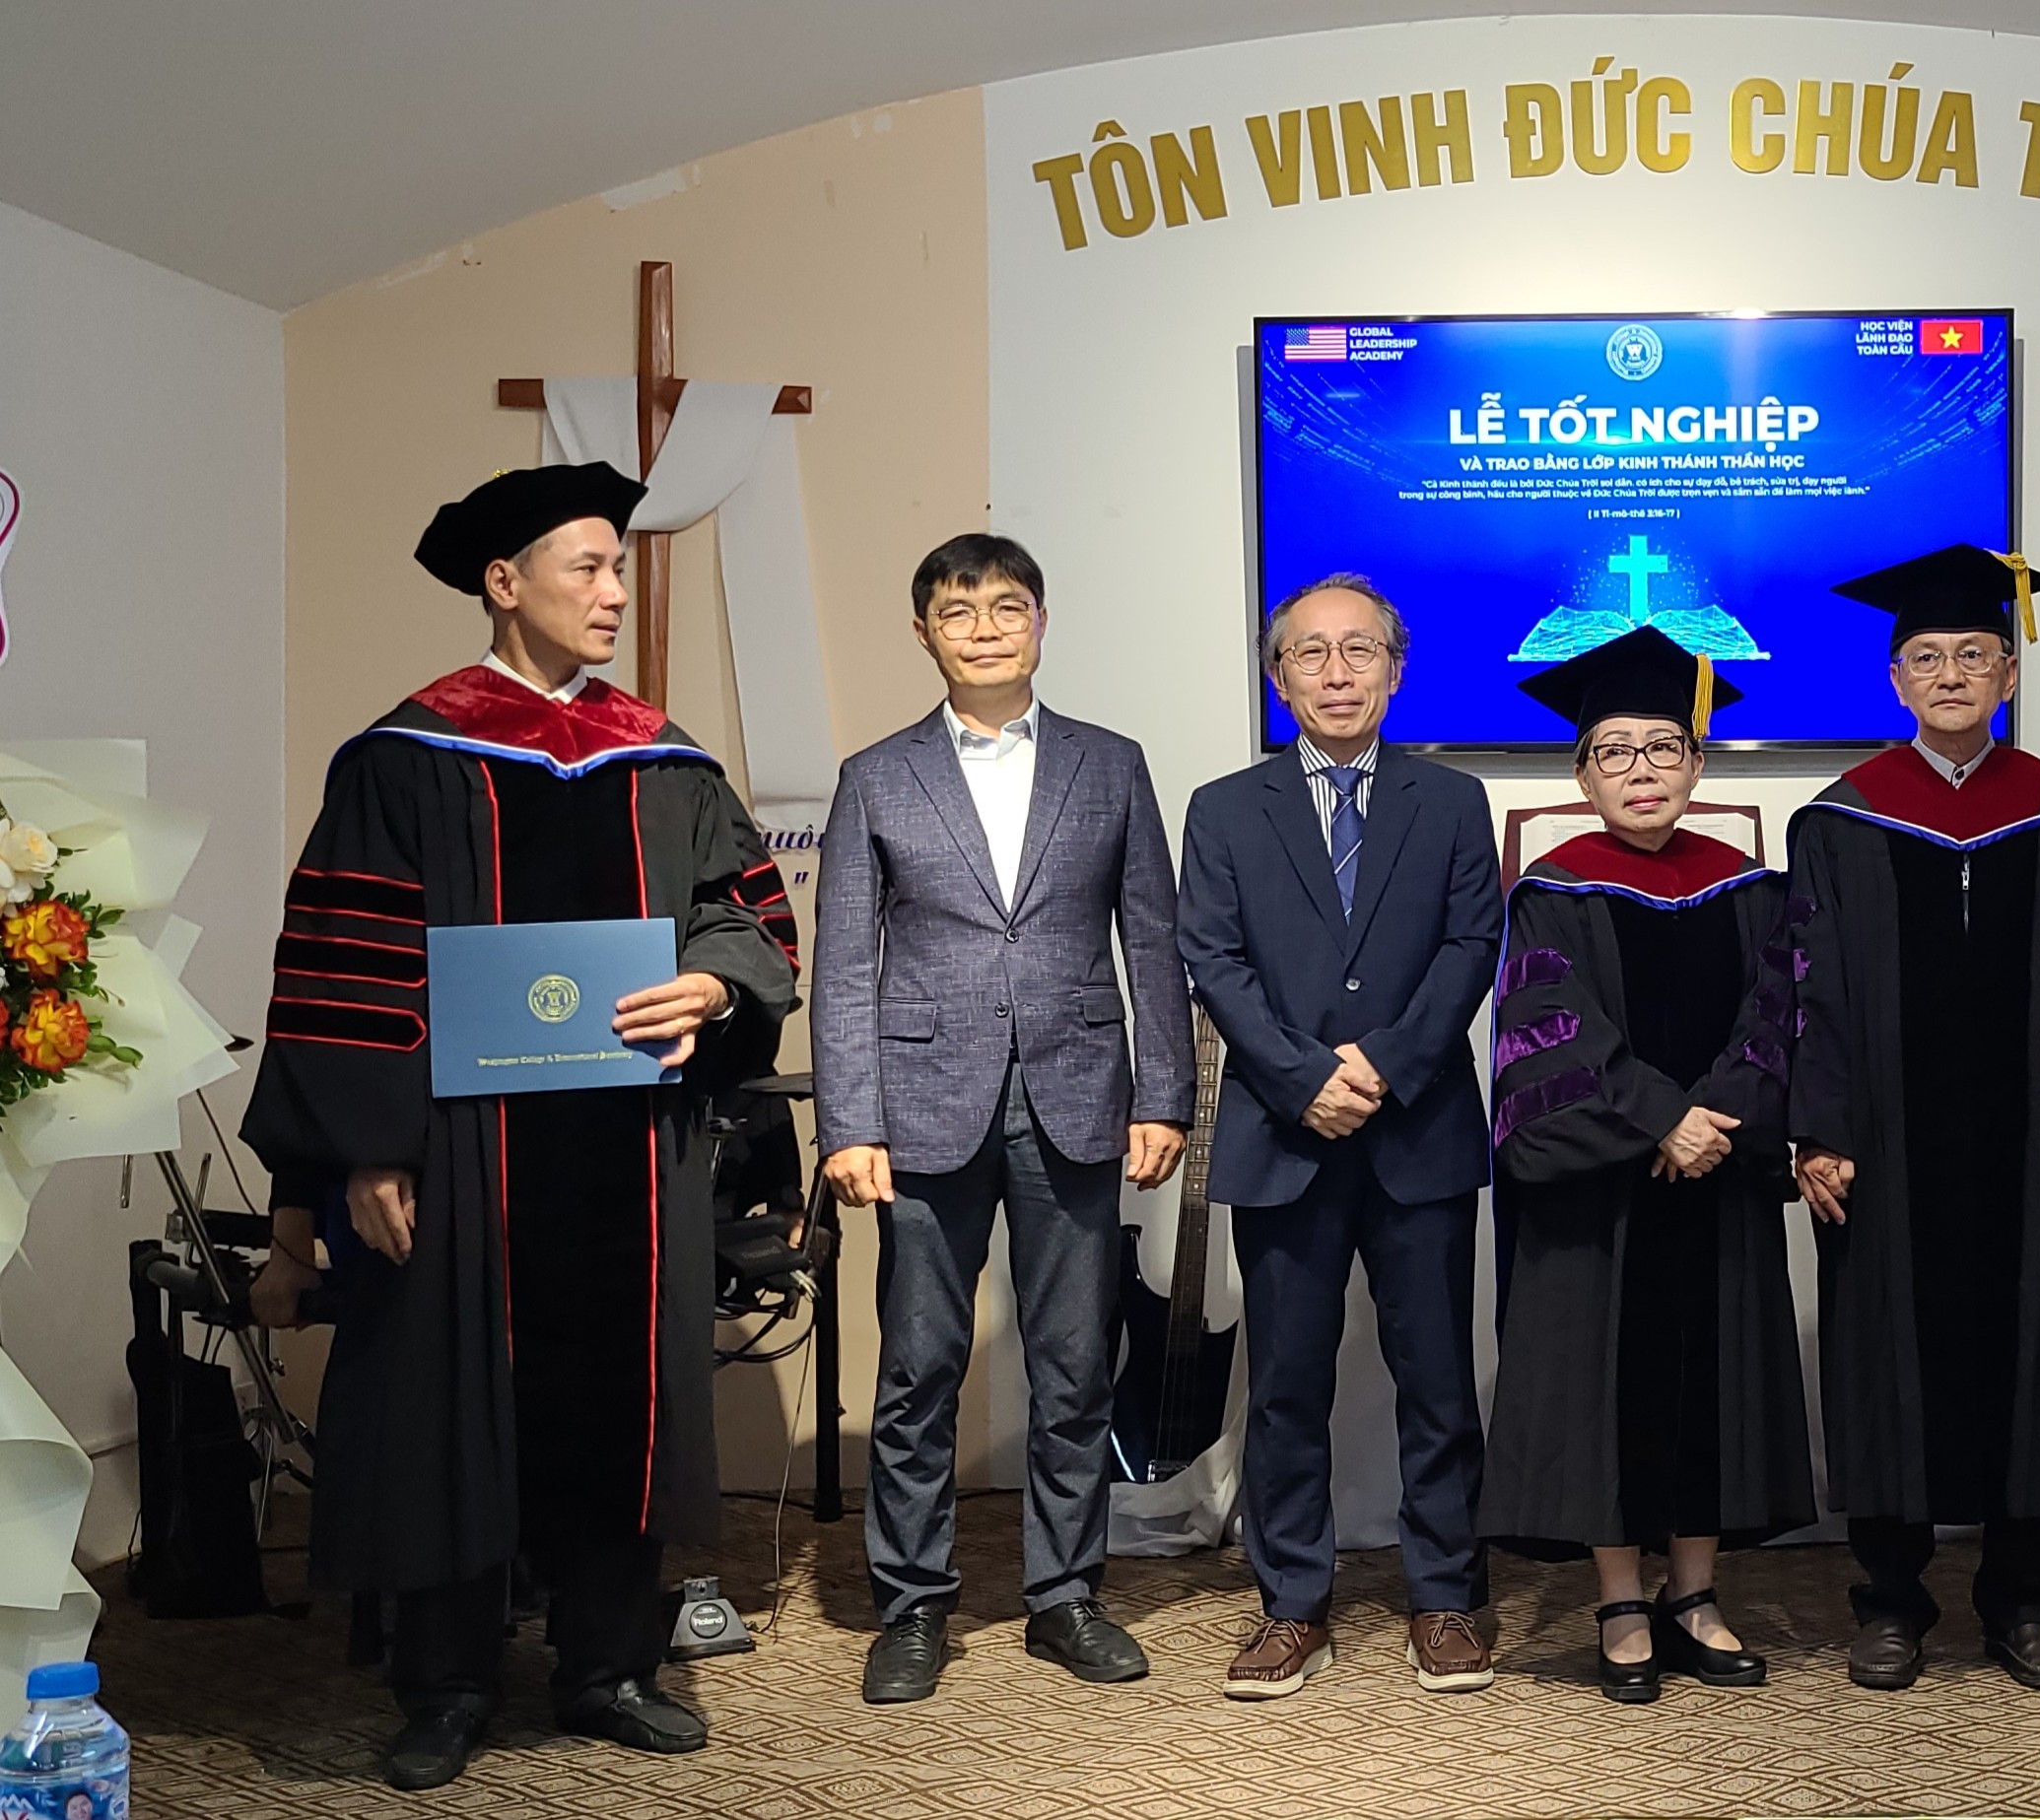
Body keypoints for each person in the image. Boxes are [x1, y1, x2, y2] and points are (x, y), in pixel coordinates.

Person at [240, 463, 797, 1789]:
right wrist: (365, 1149)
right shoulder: (404, 756)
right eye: (587, 567)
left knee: (624, 1401)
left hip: (633, 1155)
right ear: (504, 582)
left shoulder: (663, 758)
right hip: (453, 1153)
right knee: (444, 1402)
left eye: (619, 568)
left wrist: (714, 982)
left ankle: (609, 1664)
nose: (615, 593)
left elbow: (744, 914)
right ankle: (444, 1681)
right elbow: (346, 959)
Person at [1782, 545, 2040, 1693]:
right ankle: (1889, 1599)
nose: (1949, 673)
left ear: (2008, 671)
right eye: (1926, 656)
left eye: (1971, 654)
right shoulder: (1841, 820)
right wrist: (1817, 1125)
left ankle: (2022, 1598)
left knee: (2036, 1351)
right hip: (1885, 1145)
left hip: (2034, 1142)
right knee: (1882, 1352)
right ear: (1894, 678)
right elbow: (1805, 983)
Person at [810, 533, 1192, 1704]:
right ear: (922, 631)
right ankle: (912, 1605)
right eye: (958, 609)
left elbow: (1153, 939)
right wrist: (848, 1121)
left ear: (1041, 621)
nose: (984, 628)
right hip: (921, 1102)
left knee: (1074, 1365)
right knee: (919, 1365)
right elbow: (843, 964)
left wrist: (1164, 1092)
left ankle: (1065, 1595)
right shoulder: (875, 774)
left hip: (1078, 1096)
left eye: (1007, 606)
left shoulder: (1110, 763)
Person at [1473, 628, 1818, 1703]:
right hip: (1602, 1192)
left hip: (1715, 1178)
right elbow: (1552, 1031)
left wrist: (1716, 1119)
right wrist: (1664, 1118)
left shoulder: (1749, 888)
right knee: (1602, 1385)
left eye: (1663, 748)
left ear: (1697, 764)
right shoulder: (1552, 892)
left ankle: (1695, 1592)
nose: (1641, 770)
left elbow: (1775, 1016)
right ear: (1581, 774)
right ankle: (1621, 1597)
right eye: (1614, 751)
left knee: (1712, 1377)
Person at [1176, 573, 1502, 1699]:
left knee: (1439, 1378)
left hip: (1420, 1128)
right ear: (1280, 677)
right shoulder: (1224, 808)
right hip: (1284, 1133)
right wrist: (1304, 1076)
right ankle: (1290, 1604)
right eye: (1309, 652)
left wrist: (1386, 1064)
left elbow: (1470, 945)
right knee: (1284, 1386)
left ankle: (1445, 1595)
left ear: (1395, 670)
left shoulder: (1451, 801)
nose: (1335, 671)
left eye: (1359, 649)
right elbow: (1211, 958)